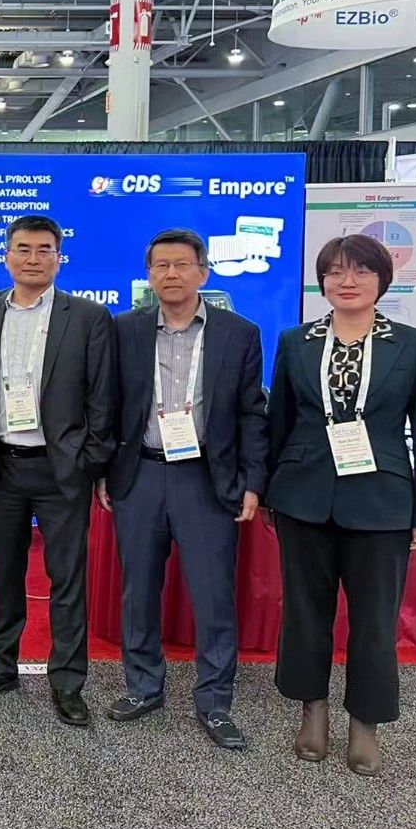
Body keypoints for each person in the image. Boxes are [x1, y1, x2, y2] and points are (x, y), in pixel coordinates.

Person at [267, 233, 416, 777]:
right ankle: (312, 709)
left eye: (361, 271)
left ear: (381, 280)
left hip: (382, 501)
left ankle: (365, 721)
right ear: (321, 281)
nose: (348, 281)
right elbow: (279, 421)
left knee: (373, 621)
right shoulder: (296, 341)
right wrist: (270, 490)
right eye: (335, 272)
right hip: (302, 497)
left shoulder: (413, 345)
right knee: (305, 613)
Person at [98, 228, 267, 750]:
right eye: (161, 265)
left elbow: (252, 413)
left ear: (203, 272)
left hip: (206, 478)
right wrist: (104, 471)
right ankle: (143, 686)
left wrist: (253, 482)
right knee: (139, 589)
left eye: (182, 264)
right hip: (141, 475)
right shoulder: (124, 329)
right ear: (149, 274)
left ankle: (214, 701)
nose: (171, 274)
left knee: (213, 595)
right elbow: (107, 405)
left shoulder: (239, 333)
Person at [0, 215, 115, 727]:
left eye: (44, 249)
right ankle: (0, 664)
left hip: (60, 470)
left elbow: (102, 399)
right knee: (3, 573)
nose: (33, 258)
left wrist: (89, 463)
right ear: (7, 257)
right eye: (23, 249)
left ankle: (67, 680)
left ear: (58, 257)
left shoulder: (88, 316)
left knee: (66, 579)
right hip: (3, 467)